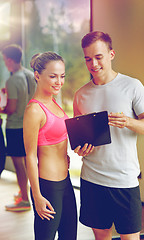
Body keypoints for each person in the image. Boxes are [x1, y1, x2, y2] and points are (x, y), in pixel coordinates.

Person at [73, 31, 144, 240]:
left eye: (98, 57)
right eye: (88, 59)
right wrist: (79, 149)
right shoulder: (81, 94)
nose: (93, 64)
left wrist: (129, 122)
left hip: (124, 180)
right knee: (101, 236)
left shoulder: (132, 86)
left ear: (111, 54)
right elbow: (78, 139)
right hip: (91, 178)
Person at [23, 51, 77, 240]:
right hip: (48, 186)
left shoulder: (54, 103)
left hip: (66, 181)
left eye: (62, 76)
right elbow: (29, 156)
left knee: (69, 235)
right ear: (37, 75)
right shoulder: (34, 110)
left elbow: (57, 140)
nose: (59, 82)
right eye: (53, 76)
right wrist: (36, 196)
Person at [0, 44, 36, 211]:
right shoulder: (29, 75)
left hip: (15, 127)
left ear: (9, 59)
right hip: (29, 126)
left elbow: (11, 109)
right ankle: (26, 193)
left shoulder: (12, 80)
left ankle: (24, 199)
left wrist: (1, 109)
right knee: (28, 162)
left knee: (19, 165)